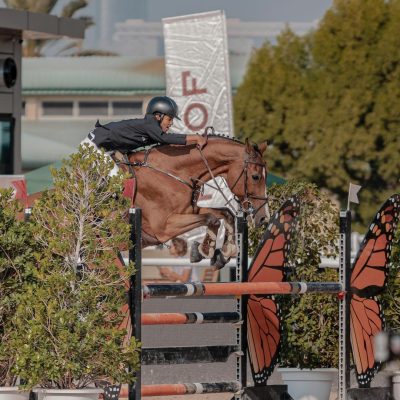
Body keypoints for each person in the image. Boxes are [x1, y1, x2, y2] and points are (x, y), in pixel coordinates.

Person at [85, 96, 207, 153]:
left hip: (100, 148)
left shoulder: (150, 129)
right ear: (158, 116)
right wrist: (195, 137)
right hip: (92, 147)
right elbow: (165, 138)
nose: (171, 123)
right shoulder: (150, 124)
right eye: (169, 119)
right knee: (116, 175)